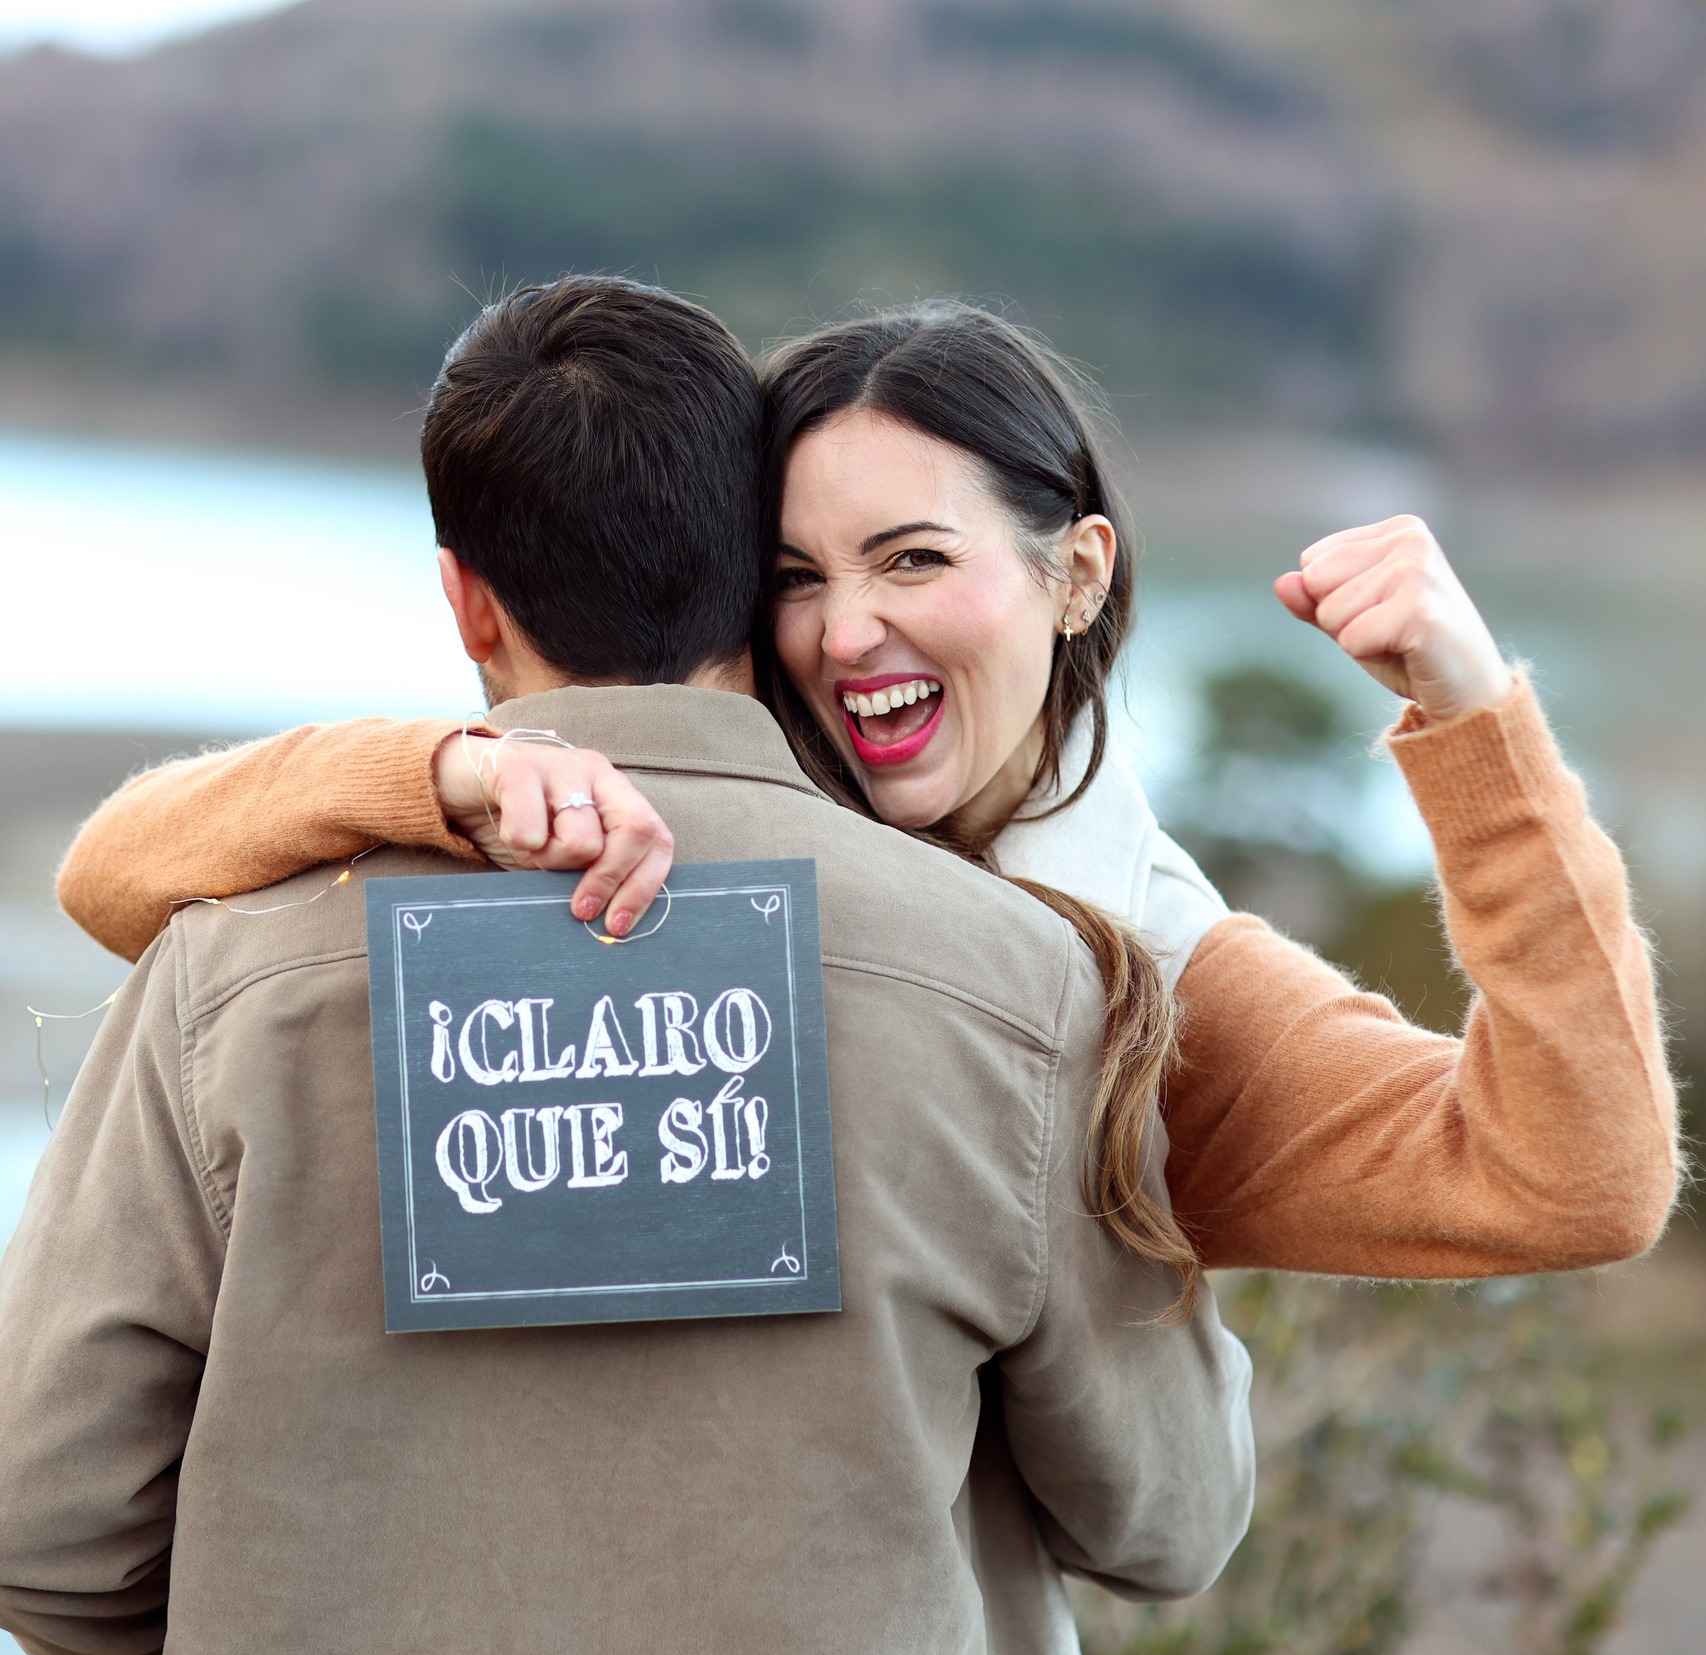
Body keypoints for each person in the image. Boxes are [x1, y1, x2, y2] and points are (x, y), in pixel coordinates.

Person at [0, 278, 1255, 1655]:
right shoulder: (1029, 985)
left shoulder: (228, 966)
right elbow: (1164, 1517)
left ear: (466, 599)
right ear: (748, 565)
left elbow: (42, 1511)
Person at [58, 302, 1679, 1282]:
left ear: (1073, 573)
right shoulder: (622, 820)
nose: (846, 633)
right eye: (794, 575)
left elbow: (1570, 1180)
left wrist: (1472, 721)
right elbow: (116, 871)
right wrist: (434, 766)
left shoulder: (1152, 970)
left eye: (912, 560)